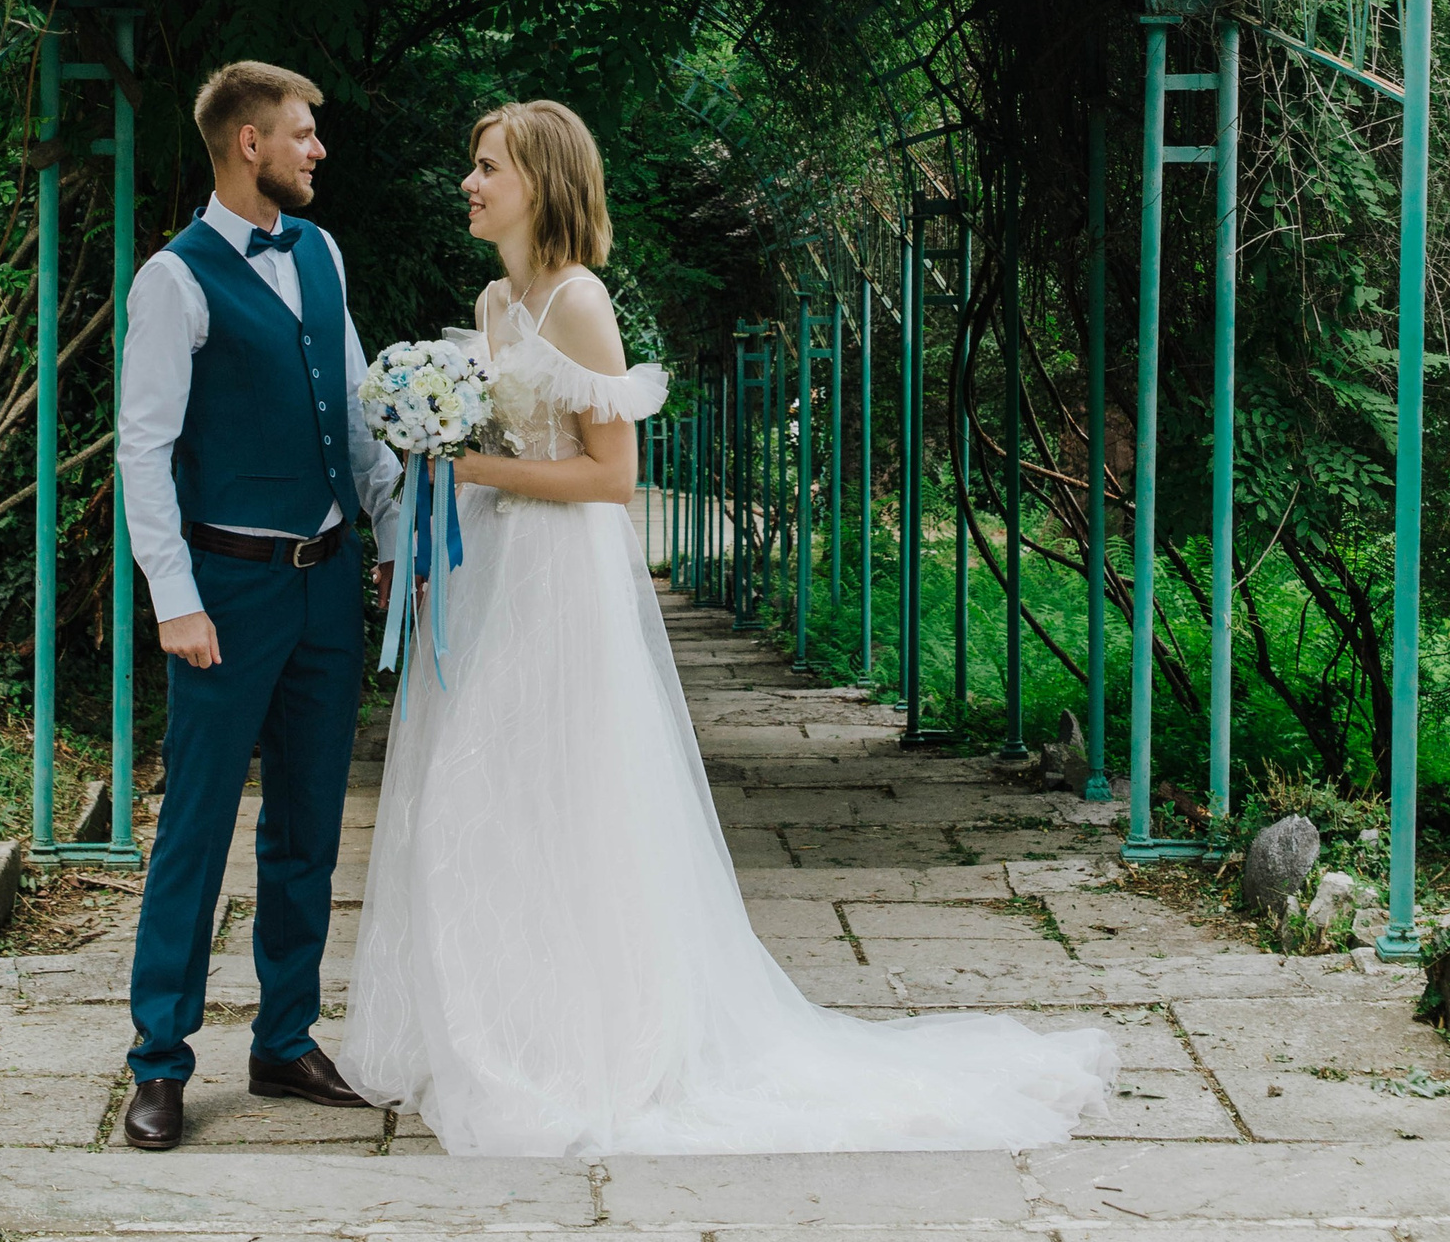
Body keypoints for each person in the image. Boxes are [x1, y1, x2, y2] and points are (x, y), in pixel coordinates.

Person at [339, 96, 1115, 1156]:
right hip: (493, 569)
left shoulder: (578, 301)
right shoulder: (491, 300)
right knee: (485, 793)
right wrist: (451, 469)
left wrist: (470, 466)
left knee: (568, 795)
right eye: (472, 165)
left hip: (560, 576)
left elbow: (611, 478)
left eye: (488, 167)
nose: (470, 184)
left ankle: (591, 1046)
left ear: (543, 181)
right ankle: (497, 1026)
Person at [116, 60, 400, 1151]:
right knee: (195, 828)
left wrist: (389, 538)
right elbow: (144, 450)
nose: (318, 149)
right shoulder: (173, 280)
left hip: (326, 583)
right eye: (303, 132)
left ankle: (285, 1039)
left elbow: (356, 412)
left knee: (308, 828)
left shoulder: (320, 251)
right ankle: (160, 1059)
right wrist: (175, 599)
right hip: (226, 590)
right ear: (249, 142)